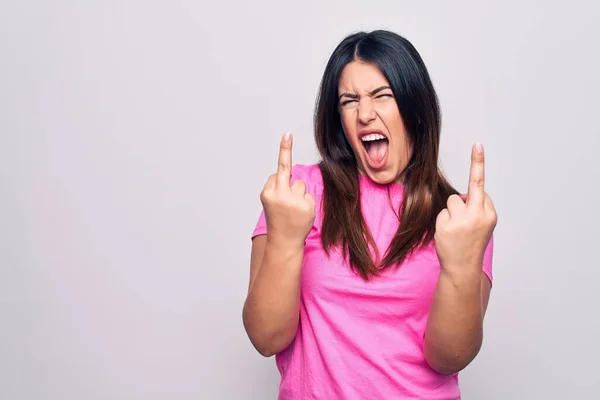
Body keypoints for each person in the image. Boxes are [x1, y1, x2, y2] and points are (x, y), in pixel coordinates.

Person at [242, 29, 497, 400]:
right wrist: (283, 239)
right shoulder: (296, 195)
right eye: (349, 101)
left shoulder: (462, 217)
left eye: (383, 96)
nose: (364, 114)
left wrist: (461, 265)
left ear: (415, 107)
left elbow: (449, 358)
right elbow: (266, 338)